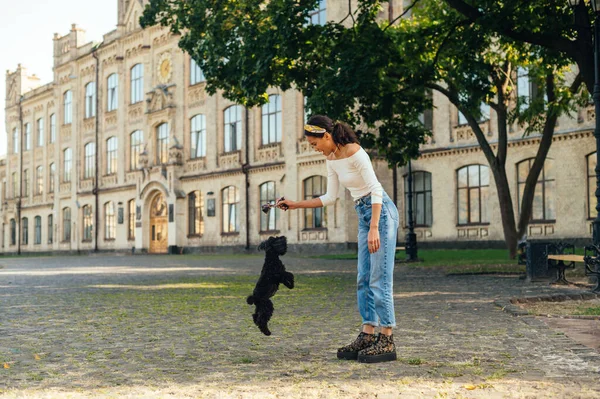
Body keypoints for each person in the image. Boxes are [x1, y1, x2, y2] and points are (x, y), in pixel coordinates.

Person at [277, 115, 399, 363]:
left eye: (315, 143)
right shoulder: (330, 159)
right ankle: (367, 334)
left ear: (327, 136)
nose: (315, 148)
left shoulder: (355, 152)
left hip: (381, 213)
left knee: (379, 276)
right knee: (363, 277)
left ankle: (386, 338)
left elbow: (375, 189)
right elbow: (329, 197)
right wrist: (294, 204)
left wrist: (375, 226)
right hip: (364, 213)